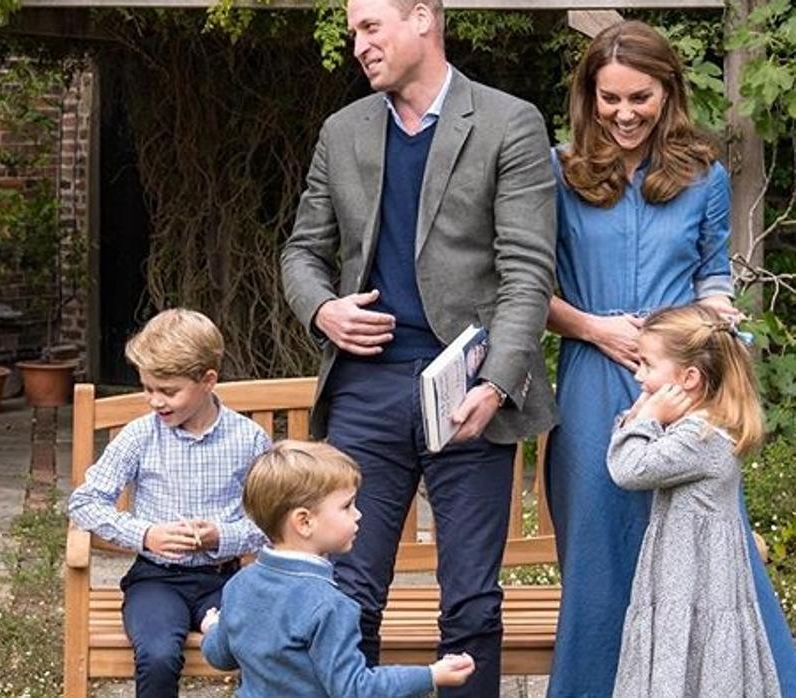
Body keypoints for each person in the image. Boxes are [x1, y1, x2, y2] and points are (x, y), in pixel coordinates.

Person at [280, 0, 557, 693]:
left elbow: (527, 272)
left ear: (424, 19)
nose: (359, 46)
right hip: (366, 390)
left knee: (469, 601)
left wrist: (495, 384)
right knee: (345, 593)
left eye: (371, 27)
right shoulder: (342, 132)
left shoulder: (508, 122)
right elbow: (300, 253)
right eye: (352, 34)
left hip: (470, 391)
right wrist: (323, 309)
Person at [543, 20, 796, 696]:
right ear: (589, 96)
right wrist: (596, 329)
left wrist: (716, 313)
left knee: (709, 549)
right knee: (600, 555)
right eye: (611, 98)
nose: (625, 114)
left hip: (686, 386)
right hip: (595, 384)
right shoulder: (556, 168)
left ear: (669, 94)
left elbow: (711, 273)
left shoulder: (704, 175)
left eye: (641, 98)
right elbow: (526, 289)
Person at [66, 308, 270, 698]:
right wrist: (146, 534)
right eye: (147, 388)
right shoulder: (140, 436)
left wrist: (222, 537)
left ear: (208, 380)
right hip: (155, 581)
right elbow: (85, 502)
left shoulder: (249, 440)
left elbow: (272, 522)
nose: (155, 401)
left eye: (168, 391)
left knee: (259, 646)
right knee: (158, 655)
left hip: (225, 580)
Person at [200, 440, 476, 697]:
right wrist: (431, 674)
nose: (358, 514)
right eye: (347, 506)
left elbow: (220, 656)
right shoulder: (329, 605)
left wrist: (213, 627)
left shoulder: (240, 584)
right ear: (304, 522)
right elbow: (355, 689)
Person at [606, 304, 781, 696]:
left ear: (688, 378)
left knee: (695, 665)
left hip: (693, 584)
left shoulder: (700, 438)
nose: (638, 374)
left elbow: (628, 470)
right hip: (686, 579)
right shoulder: (699, 428)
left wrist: (643, 417)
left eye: (647, 365)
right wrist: (648, 416)